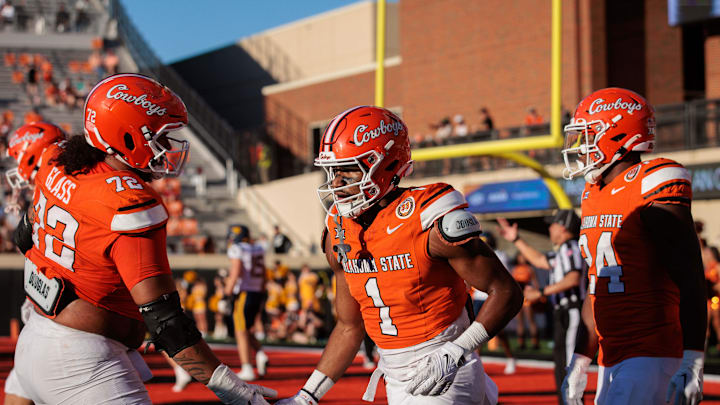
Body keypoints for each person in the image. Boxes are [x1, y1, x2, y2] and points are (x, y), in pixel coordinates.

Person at [11, 73, 275, 405]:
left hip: (34, 339)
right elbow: (164, 321)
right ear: (128, 135)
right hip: (84, 362)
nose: (166, 148)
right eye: (160, 138)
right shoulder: (128, 201)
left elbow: (25, 236)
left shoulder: (56, 162)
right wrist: (231, 389)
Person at [277, 106, 523, 405]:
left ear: (385, 164)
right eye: (333, 170)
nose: (337, 182)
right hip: (394, 377)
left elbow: (506, 291)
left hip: (445, 370)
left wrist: (457, 351)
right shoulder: (338, 231)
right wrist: (306, 397)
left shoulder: (427, 218)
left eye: (348, 168)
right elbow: (348, 327)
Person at [559, 88, 707, 405]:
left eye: (586, 136)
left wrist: (693, 360)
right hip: (612, 355)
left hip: (654, 351)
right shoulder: (592, 192)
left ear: (616, 135)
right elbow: (596, 284)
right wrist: (581, 360)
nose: (579, 147)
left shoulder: (654, 181)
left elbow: (692, 277)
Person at [3, 121, 66, 405]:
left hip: (61, 322)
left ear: (32, 153)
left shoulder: (59, 186)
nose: (17, 166)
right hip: (43, 313)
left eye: (19, 156)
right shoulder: (56, 185)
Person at [497, 209, 586, 402]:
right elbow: (539, 260)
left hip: (571, 310)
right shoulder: (563, 250)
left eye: (553, 224)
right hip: (563, 312)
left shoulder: (570, 247)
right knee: (562, 364)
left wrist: (541, 292)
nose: (550, 228)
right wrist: (516, 239)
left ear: (562, 227)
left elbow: (573, 278)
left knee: (570, 366)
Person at [224, 224, 270, 381]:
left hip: (244, 292)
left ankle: (247, 367)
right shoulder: (258, 248)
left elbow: (236, 271)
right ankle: (260, 353)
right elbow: (263, 272)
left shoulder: (237, 248)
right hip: (257, 291)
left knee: (240, 330)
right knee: (247, 328)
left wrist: (226, 293)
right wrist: (262, 291)